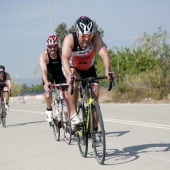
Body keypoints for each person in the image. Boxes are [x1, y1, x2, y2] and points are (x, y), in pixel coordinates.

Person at [62, 16, 114, 127]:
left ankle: (95, 130)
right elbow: (65, 58)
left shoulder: (96, 38)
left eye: (89, 35)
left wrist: (108, 70)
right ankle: (73, 113)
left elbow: (104, 54)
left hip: (88, 69)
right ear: (77, 33)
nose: (87, 39)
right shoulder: (70, 39)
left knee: (95, 95)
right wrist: (69, 74)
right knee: (74, 81)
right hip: (73, 68)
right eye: (84, 36)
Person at [39, 35, 68, 123]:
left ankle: (67, 111)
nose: (52, 48)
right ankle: (49, 109)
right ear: (46, 46)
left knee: (66, 92)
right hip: (49, 75)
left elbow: (66, 65)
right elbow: (44, 71)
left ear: (57, 45)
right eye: (50, 46)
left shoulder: (61, 52)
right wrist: (46, 83)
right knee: (49, 91)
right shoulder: (44, 56)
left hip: (59, 74)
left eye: (54, 46)